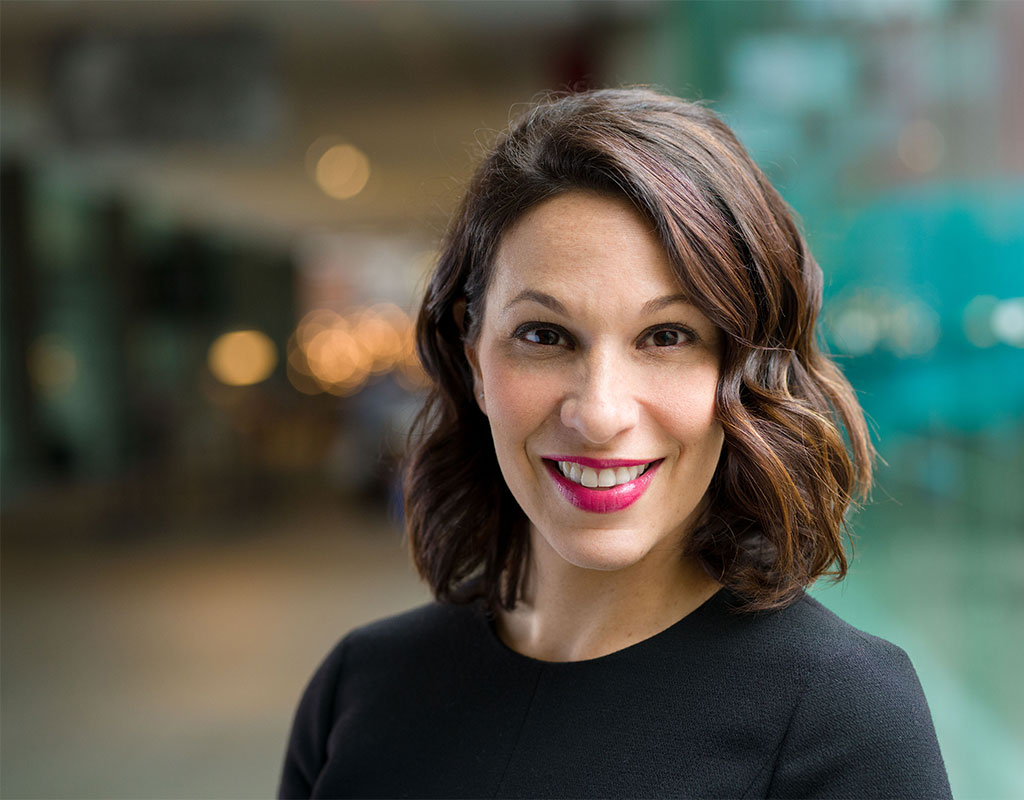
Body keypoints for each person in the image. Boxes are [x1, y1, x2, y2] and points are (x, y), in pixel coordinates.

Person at [279, 88, 952, 799]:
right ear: (475, 358)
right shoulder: (360, 688)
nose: (599, 414)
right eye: (544, 336)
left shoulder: (842, 719)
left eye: (667, 337)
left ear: (746, 368)